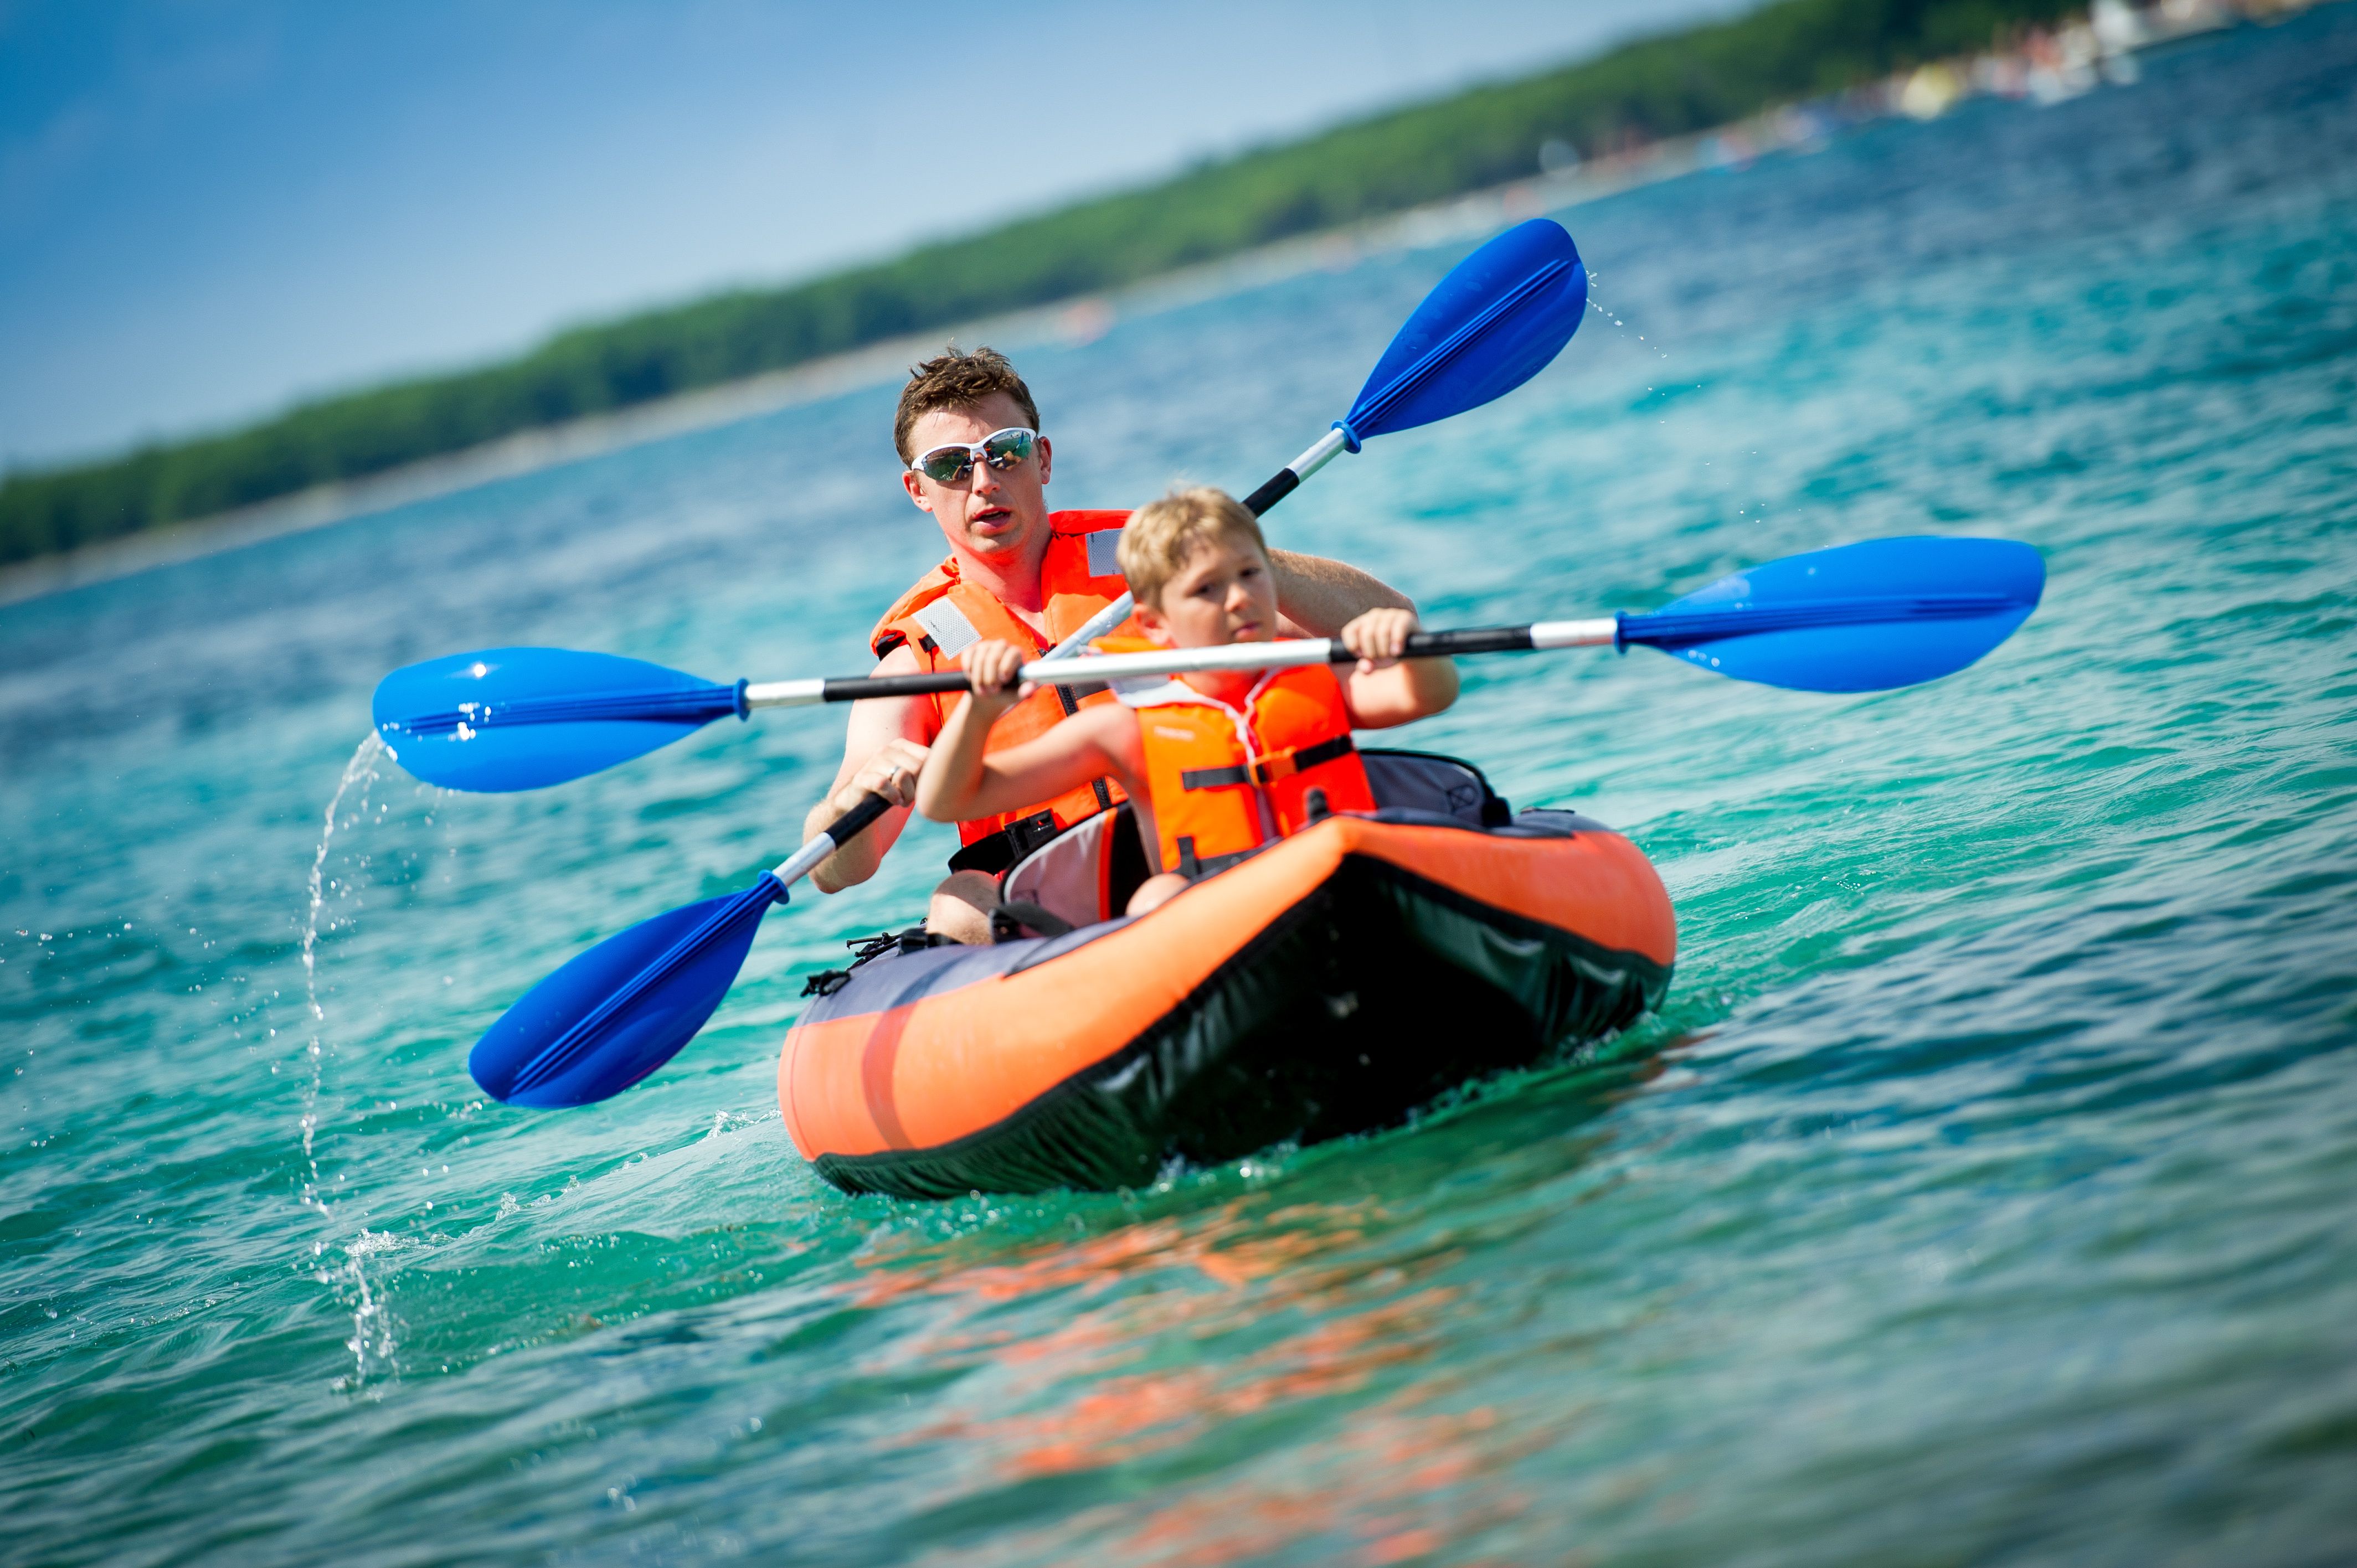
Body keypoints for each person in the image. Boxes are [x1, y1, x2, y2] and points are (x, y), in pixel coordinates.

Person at [805, 348, 1419, 943]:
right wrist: (863, 796)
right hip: (1042, 905)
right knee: (958, 904)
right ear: (918, 489)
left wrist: (1236, 554)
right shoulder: (916, 660)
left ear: (1041, 459)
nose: (984, 480)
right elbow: (835, 871)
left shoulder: (1164, 580)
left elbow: (1391, 625)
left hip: (1193, 841)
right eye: (950, 466)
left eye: (1006, 451)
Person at [915, 487, 1459, 919]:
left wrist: (1405, 643)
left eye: (1250, 575)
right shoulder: (1125, 732)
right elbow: (948, 801)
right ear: (1153, 624)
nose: (1240, 597)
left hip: (1342, 881)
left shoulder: (1314, 676)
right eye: (1207, 589)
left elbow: (1430, 694)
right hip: (1221, 922)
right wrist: (978, 711)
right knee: (1155, 900)